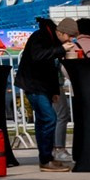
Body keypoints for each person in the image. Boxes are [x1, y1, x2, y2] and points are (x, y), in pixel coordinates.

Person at [16, 16, 71, 171]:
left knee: (43, 121)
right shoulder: (41, 37)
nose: (70, 41)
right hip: (34, 85)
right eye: (69, 36)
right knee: (49, 118)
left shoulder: (49, 38)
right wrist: (61, 49)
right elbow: (38, 56)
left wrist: (54, 90)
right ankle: (46, 159)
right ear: (61, 32)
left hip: (40, 85)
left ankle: (46, 158)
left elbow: (51, 68)